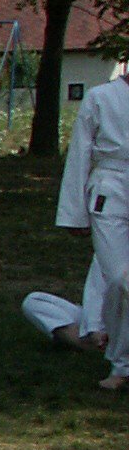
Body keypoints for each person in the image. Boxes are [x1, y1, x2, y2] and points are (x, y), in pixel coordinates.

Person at [56, 71, 129, 391]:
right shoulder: (101, 98)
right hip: (110, 191)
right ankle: (122, 362)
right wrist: (74, 214)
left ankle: (122, 363)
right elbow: (80, 154)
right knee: (119, 279)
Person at [20, 256, 108, 353]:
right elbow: (95, 293)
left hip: (117, 325)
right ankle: (85, 341)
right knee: (34, 300)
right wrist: (93, 328)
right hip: (97, 320)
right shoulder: (104, 253)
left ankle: (98, 346)